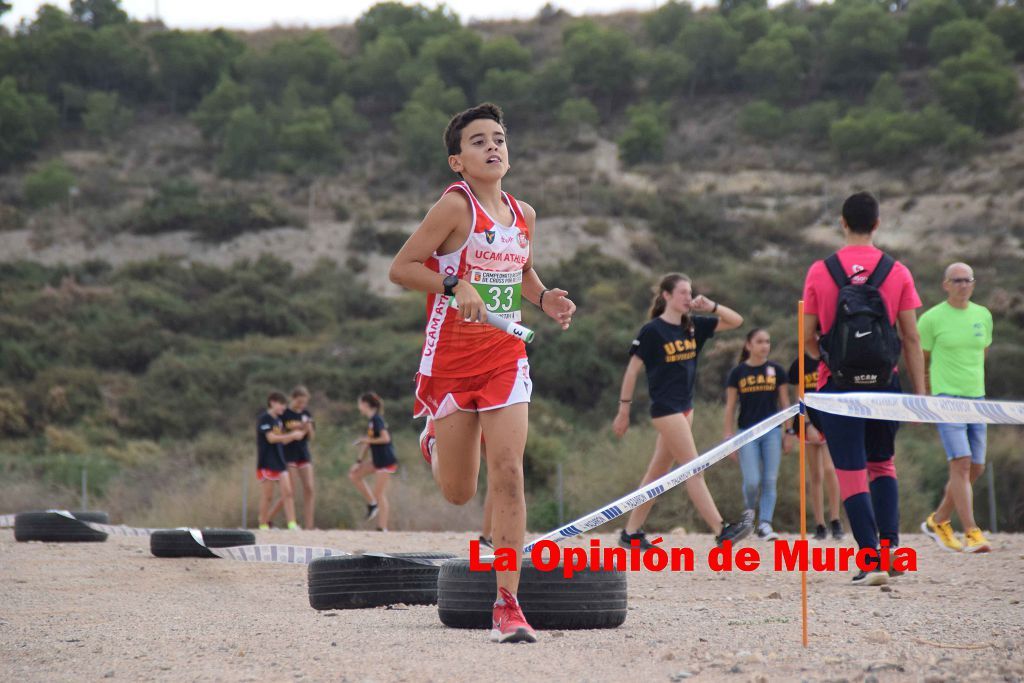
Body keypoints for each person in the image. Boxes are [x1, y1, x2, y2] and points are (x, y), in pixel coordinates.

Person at [388, 103, 576, 644]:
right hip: (449, 363)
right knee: (457, 492)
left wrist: (544, 298)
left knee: (509, 473)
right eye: (478, 141)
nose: (493, 146)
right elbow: (401, 268)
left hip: (504, 358)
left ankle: (508, 605)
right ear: (458, 161)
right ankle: (434, 441)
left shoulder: (525, 214)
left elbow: (520, 271)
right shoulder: (453, 208)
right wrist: (453, 285)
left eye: (499, 138)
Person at [802, 191, 925, 586]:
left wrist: (831, 359)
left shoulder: (820, 272)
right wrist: (919, 394)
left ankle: (869, 558)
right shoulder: (898, 271)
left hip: (837, 387)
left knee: (850, 472)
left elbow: (806, 337)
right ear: (877, 223)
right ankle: (892, 551)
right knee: (882, 464)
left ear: (842, 222)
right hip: (885, 384)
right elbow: (909, 338)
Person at [613, 273, 752, 550]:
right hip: (666, 411)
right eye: (682, 293)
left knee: (656, 474)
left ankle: (631, 533)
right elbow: (632, 371)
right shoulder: (652, 331)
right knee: (693, 469)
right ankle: (721, 529)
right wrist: (624, 411)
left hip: (686, 409)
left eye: (690, 293)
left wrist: (711, 306)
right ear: (666, 296)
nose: (688, 298)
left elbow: (736, 321)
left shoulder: (693, 326)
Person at [919, 262, 993, 553]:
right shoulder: (931, 319)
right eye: (957, 280)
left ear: (973, 284)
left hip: (977, 398)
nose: (963, 285)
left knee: (976, 467)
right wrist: (925, 395)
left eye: (968, 280)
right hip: (946, 399)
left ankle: (939, 520)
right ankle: (972, 532)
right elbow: (921, 359)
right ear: (945, 284)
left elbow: (981, 354)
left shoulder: (983, 315)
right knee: (960, 462)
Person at [723, 328, 791, 542]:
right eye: (760, 341)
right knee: (752, 481)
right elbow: (731, 406)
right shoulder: (738, 373)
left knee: (770, 479)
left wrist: (789, 431)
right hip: (746, 433)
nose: (765, 346)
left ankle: (765, 524)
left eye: (768, 342)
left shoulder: (776, 370)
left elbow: (785, 404)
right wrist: (728, 436)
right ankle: (749, 514)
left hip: (772, 431)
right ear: (748, 345)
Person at [788, 350, 845, 541]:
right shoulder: (800, 364)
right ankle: (820, 524)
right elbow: (799, 397)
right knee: (815, 474)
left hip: (829, 419)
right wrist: (807, 424)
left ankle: (836, 520)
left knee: (830, 469)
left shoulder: (830, 358)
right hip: (809, 422)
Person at [256, 392, 305, 530]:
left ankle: (292, 524)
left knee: (288, 492)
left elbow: (281, 440)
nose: (284, 407)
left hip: (280, 461)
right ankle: (263, 524)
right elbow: (271, 438)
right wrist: (292, 434)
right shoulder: (264, 419)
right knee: (268, 496)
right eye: (281, 404)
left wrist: (294, 436)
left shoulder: (278, 421)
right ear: (272, 402)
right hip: (267, 462)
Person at [349, 392, 398, 532]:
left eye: (359, 404)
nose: (359, 407)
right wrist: (358, 461)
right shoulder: (371, 422)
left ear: (365, 404)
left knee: (379, 494)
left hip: (386, 460)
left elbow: (385, 438)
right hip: (377, 460)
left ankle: (382, 528)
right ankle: (372, 504)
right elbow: (367, 444)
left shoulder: (377, 419)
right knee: (354, 475)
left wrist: (366, 440)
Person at [282, 386, 316, 530]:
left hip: (303, 453)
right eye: (299, 402)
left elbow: (312, 437)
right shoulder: (285, 413)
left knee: (309, 489)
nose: (302, 405)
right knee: (291, 490)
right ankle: (291, 522)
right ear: (293, 398)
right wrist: (295, 429)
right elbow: (281, 434)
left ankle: (309, 525)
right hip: (288, 454)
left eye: (304, 402)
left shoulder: (306, 414)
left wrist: (308, 427)